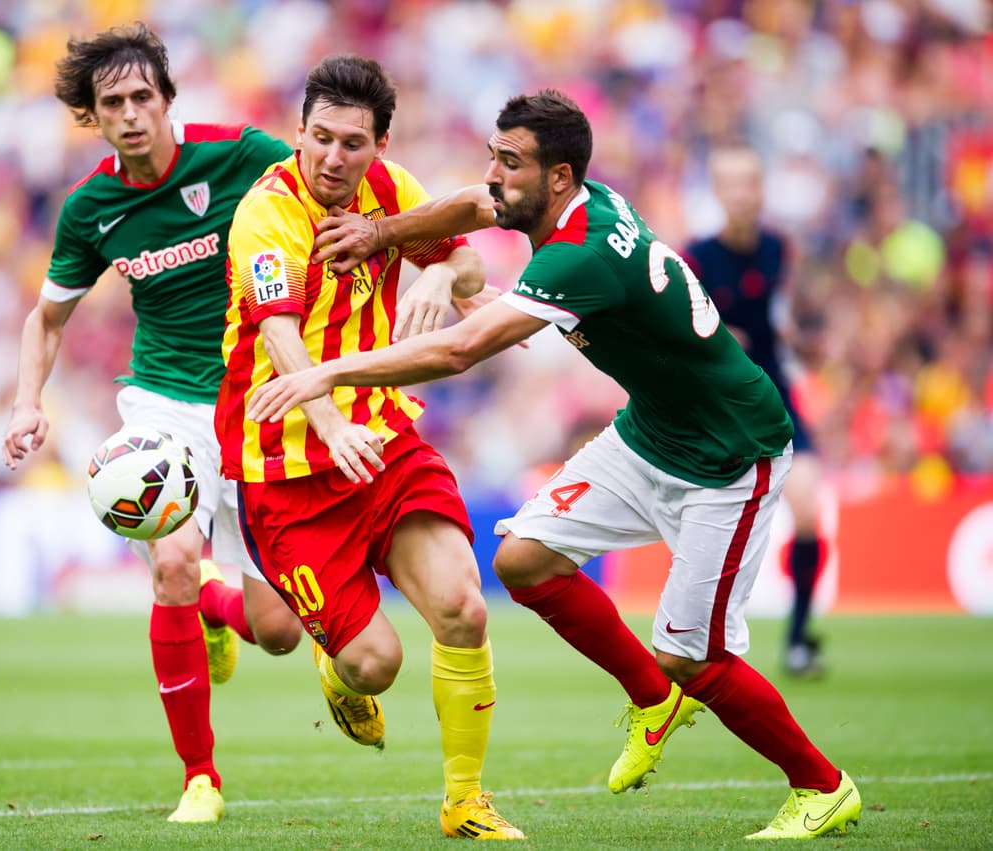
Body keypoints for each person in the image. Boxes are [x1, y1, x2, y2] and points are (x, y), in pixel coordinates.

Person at [247, 90, 862, 841]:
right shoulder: (568, 207)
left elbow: (459, 349)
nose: (492, 175)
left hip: (728, 456)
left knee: (691, 658)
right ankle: (649, 700)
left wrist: (325, 375)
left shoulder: (581, 254)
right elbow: (474, 207)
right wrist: (381, 233)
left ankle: (820, 785)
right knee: (524, 560)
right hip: (650, 433)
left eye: (510, 163)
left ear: (559, 177)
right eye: (494, 155)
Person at [215, 54, 525, 840]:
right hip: (285, 466)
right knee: (374, 664)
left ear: (380, 144)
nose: (332, 158)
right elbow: (278, 333)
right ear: (298, 133)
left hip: (382, 433)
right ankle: (337, 659)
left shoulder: (393, 192)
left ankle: (464, 800)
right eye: (320, 138)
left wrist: (442, 276)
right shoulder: (266, 213)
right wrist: (327, 423)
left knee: (461, 602)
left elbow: (464, 251)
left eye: (353, 143)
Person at [0, 22, 303, 824]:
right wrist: (28, 399)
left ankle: (214, 604)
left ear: (169, 99)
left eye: (143, 96)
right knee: (171, 562)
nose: (131, 113)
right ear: (92, 119)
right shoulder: (91, 208)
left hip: (255, 400)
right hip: (164, 403)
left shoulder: (238, 154)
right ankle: (199, 776)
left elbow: (332, 185)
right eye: (112, 104)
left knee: (279, 632)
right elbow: (48, 318)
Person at [685, 147, 827, 677]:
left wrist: (803, 343)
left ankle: (797, 640)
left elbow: (782, 316)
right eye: (734, 184)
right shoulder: (696, 257)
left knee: (809, 509)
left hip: (776, 394)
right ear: (719, 193)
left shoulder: (777, 250)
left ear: (761, 188)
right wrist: (722, 338)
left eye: (752, 182)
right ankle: (701, 637)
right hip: (722, 403)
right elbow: (688, 330)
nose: (744, 193)